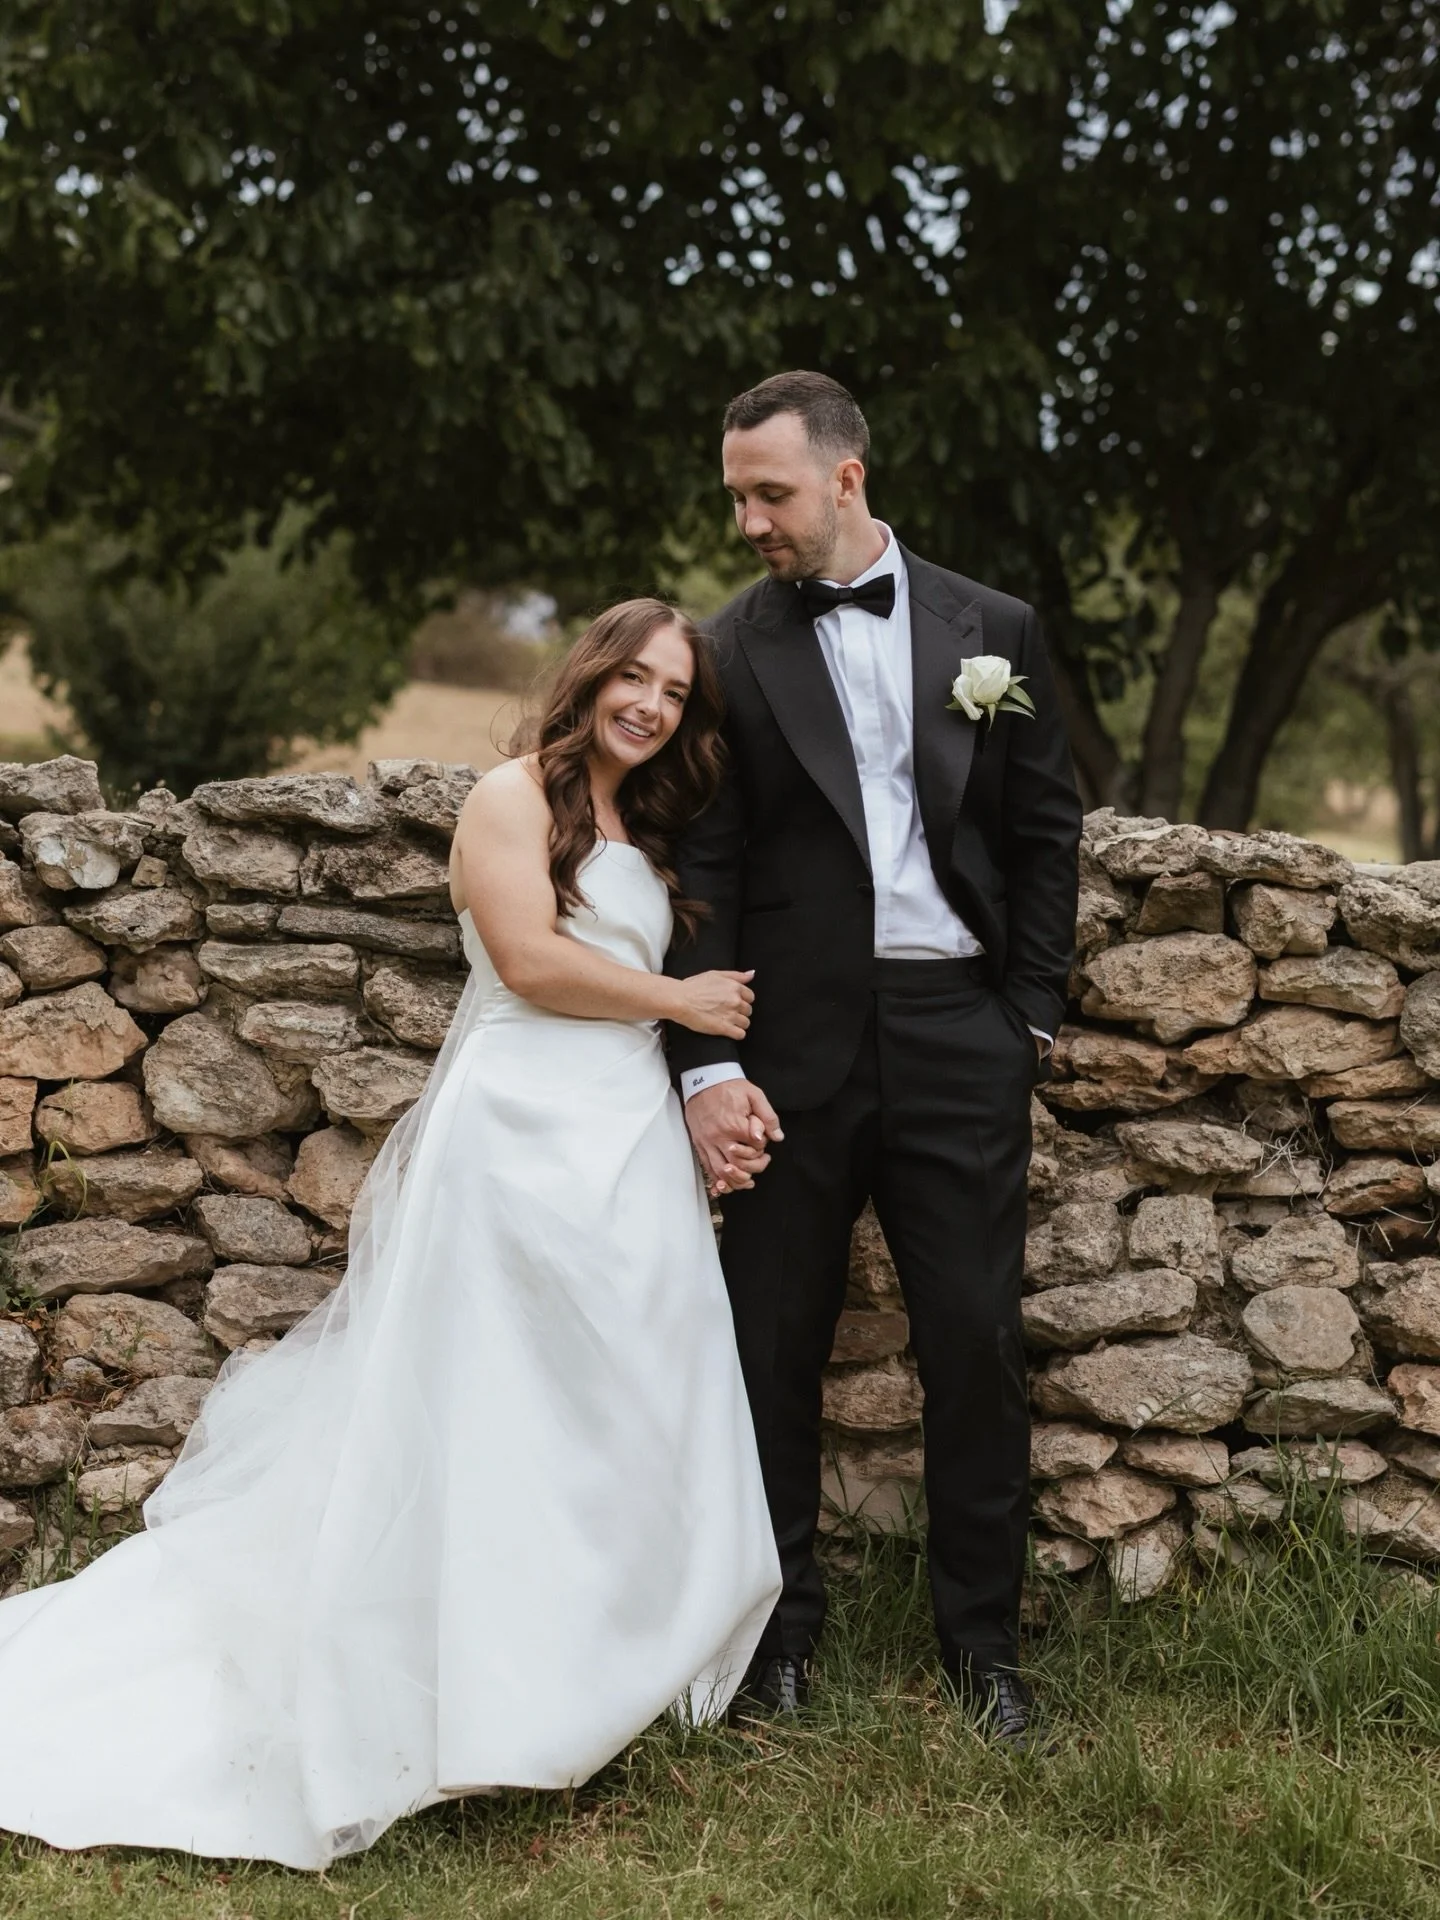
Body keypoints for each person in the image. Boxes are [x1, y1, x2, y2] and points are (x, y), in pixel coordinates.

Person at [0, 598, 780, 1869]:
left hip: (624, 1140)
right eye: (633, 676)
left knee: (623, 1396)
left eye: (677, 692)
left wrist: (693, 1067)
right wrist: (675, 995)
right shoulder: (512, 798)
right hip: (519, 1131)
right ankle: (471, 1691)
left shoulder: (655, 819)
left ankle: (605, 1656)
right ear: (588, 677)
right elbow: (528, 961)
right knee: (492, 1406)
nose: (651, 704)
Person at [668, 372, 1082, 1750]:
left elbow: (1045, 828)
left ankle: (984, 1654)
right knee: (773, 1345)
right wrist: (705, 1065)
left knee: (975, 1344)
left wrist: (1025, 1011)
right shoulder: (726, 649)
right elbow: (705, 867)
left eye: (768, 493)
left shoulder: (994, 628)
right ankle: (780, 1641)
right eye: (736, 495)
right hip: (790, 1049)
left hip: (963, 1036)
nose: (747, 521)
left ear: (846, 478)